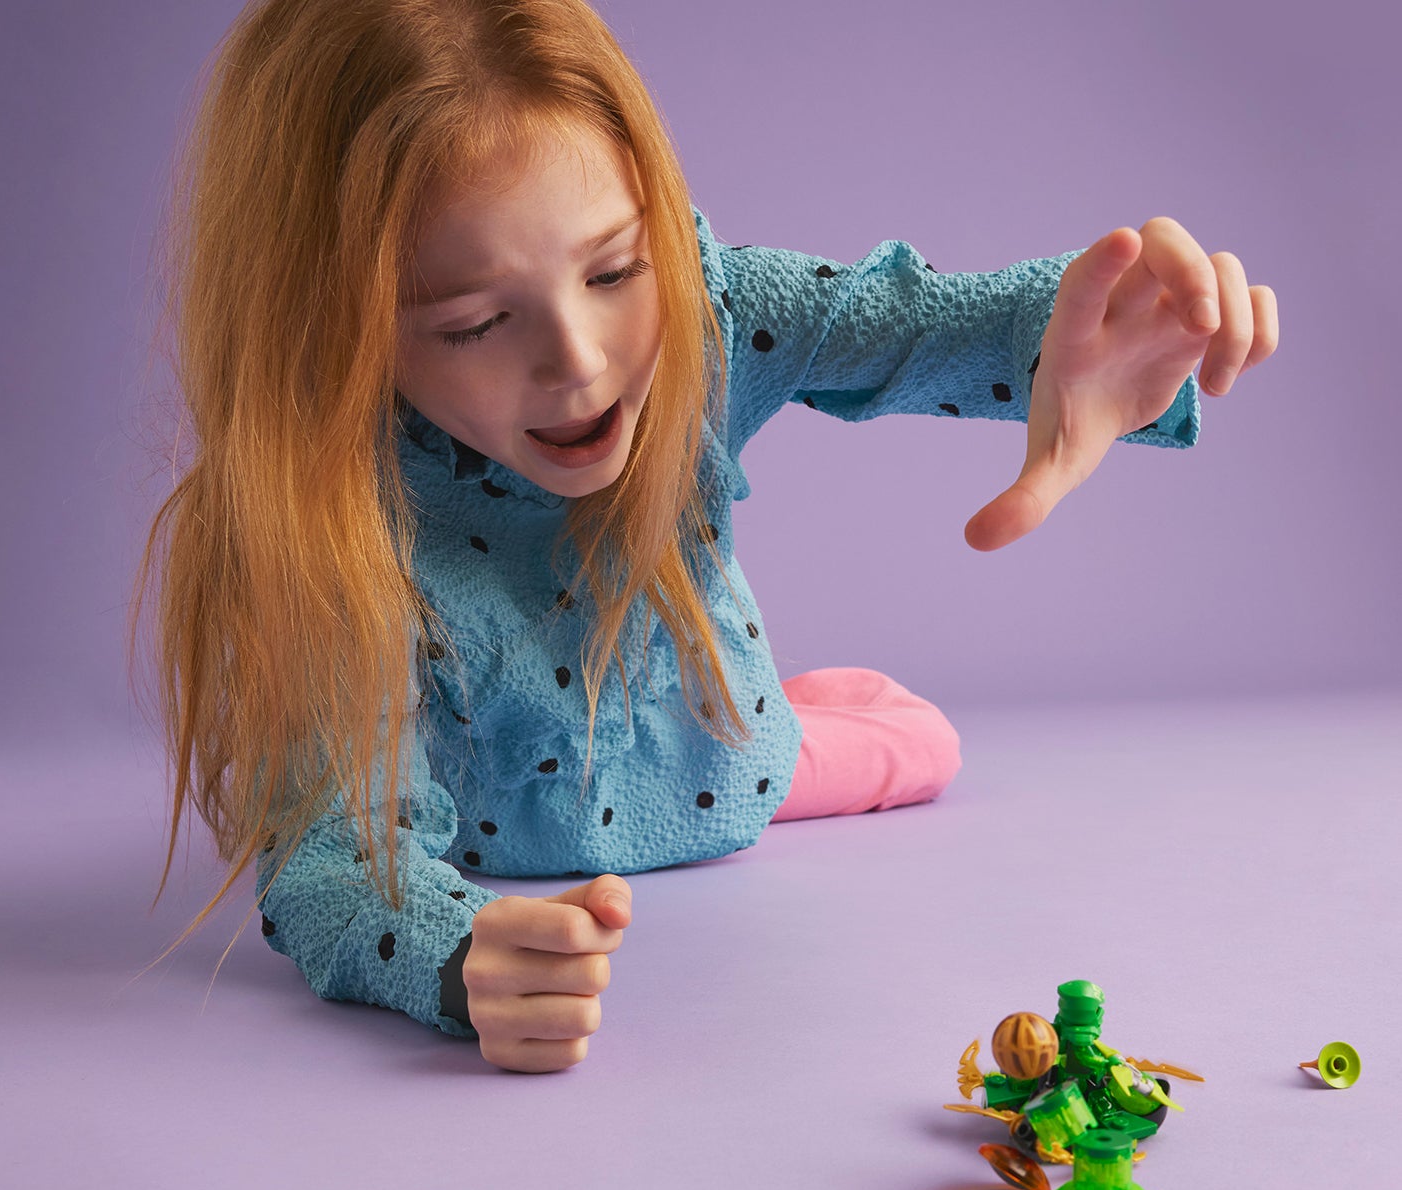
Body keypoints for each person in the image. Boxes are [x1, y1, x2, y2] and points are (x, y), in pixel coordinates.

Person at [132, 0, 1277, 1074]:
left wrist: (1095, 327)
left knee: (926, 747)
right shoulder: (330, 515)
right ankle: (785, 713)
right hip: (505, 834)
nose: (579, 361)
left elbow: (908, 321)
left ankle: (775, 711)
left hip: (732, 759)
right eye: (475, 323)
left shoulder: (711, 310)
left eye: (616, 268)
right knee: (899, 740)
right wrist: (455, 957)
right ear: (332, 329)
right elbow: (336, 857)